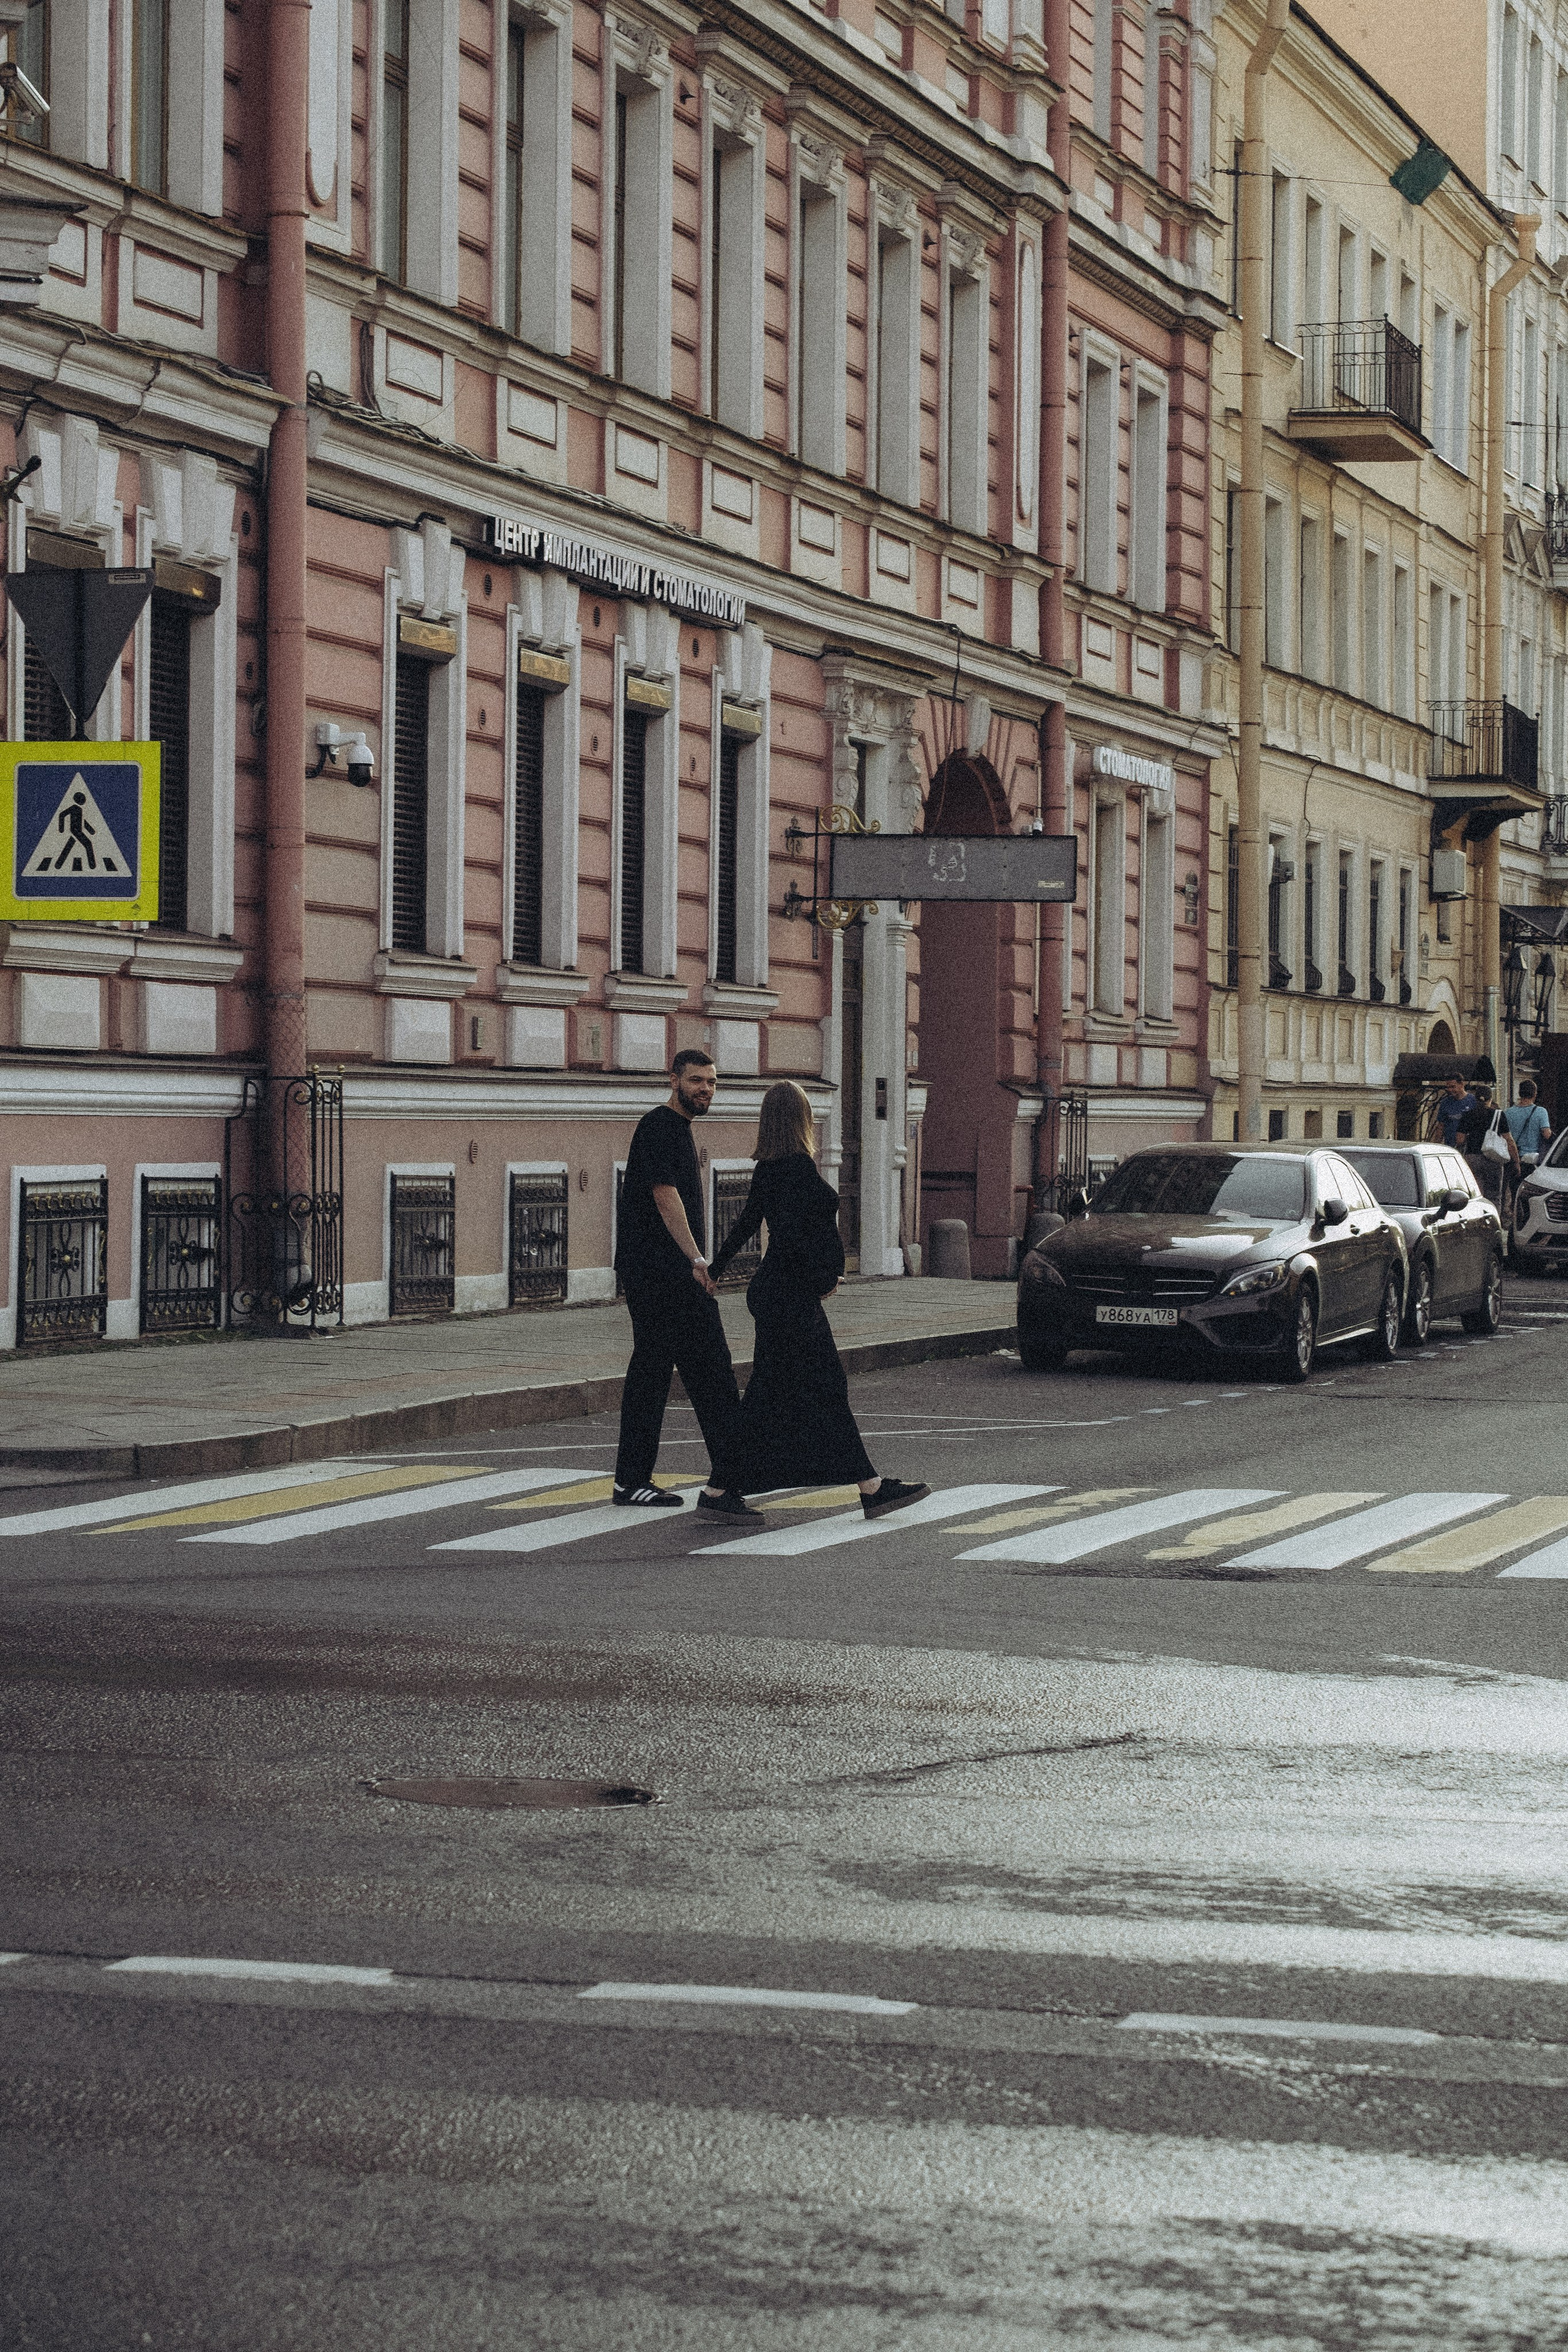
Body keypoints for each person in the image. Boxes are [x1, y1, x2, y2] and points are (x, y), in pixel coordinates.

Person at [708, 1080, 930, 1520]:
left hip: (779, 1294)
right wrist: (824, 1276)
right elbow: (798, 1238)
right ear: (801, 1120)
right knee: (825, 1386)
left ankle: (719, 1490)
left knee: (769, 1394)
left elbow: (748, 1225)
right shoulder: (795, 1168)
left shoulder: (772, 1168)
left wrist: (716, 1270)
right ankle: (871, 1488)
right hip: (790, 1297)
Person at [612, 1049, 760, 1519]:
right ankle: (726, 1484)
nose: (706, 1090)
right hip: (664, 1275)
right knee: (711, 1374)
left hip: (659, 1273)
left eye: (712, 1083)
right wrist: (697, 1259)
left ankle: (633, 1481)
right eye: (697, 1081)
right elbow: (663, 1195)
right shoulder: (659, 1127)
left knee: (657, 1374)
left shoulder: (677, 1130)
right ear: (672, 1079)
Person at [1458, 1081, 1518, 1208]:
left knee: (1474, 1195)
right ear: (1491, 1099)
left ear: (1475, 1099)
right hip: (1493, 1159)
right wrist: (1516, 1161)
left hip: (1472, 1158)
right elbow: (1510, 1141)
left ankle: (1475, 1221)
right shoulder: (1498, 1115)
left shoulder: (1468, 1115)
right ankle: (1493, 1222)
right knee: (1494, 1196)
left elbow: (1460, 1140)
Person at [1504, 1077, 1553, 1172]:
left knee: (1514, 1186)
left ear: (1519, 1094)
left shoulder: (1507, 1113)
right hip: (1532, 1159)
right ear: (1535, 1095)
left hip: (1513, 1158)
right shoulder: (1541, 1112)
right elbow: (1547, 1135)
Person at [1434, 1072, 1476, 1149]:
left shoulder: (1473, 1101)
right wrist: (1437, 1146)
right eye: (1448, 1087)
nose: (1450, 1090)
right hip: (1451, 1146)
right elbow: (1441, 1127)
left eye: (1453, 1087)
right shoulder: (1445, 1103)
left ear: (1462, 1085)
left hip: (1469, 1147)